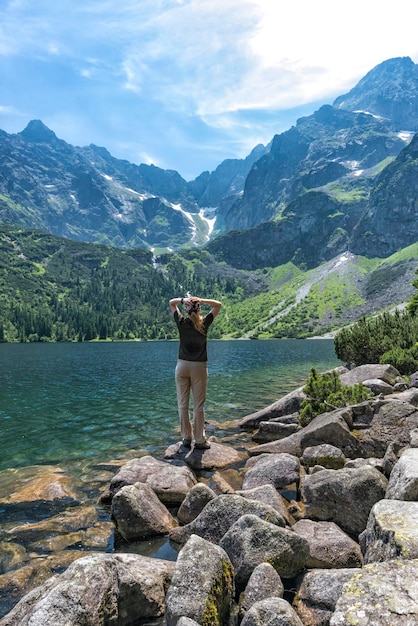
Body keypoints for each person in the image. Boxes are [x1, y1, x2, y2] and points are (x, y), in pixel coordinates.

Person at [169, 295, 222, 450]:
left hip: (182, 366)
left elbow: (170, 303)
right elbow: (218, 305)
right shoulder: (204, 323)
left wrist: (182, 300)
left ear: (186, 309)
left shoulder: (181, 322)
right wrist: (201, 300)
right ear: (199, 308)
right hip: (199, 367)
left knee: (182, 404)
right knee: (198, 405)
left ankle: (186, 437)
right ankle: (199, 440)